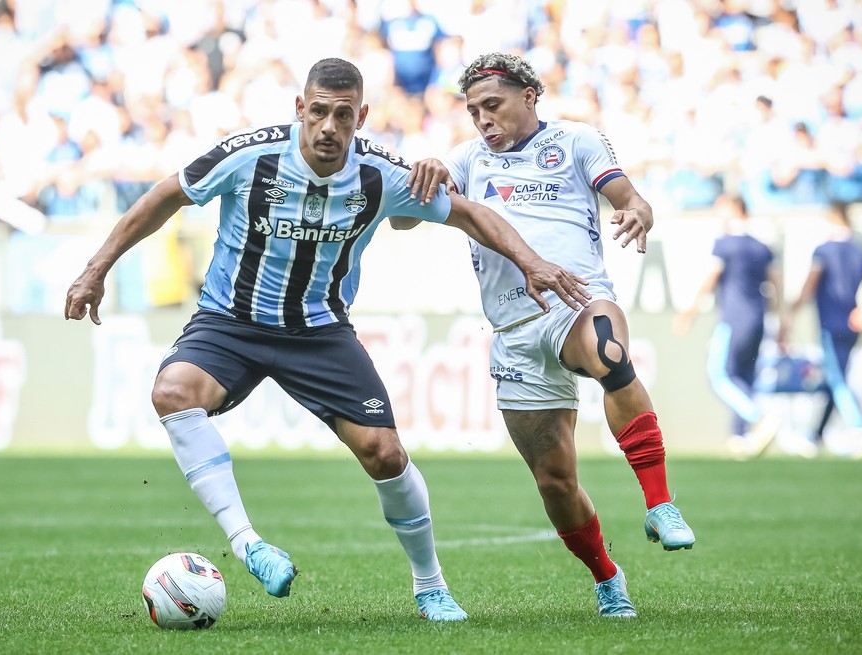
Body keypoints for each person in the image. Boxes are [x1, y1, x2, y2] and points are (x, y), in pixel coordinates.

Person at [65, 57, 590, 622]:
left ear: (360, 117)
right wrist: (95, 269)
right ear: (300, 109)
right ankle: (249, 545)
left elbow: (470, 215)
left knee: (384, 453)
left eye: (343, 116)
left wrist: (531, 262)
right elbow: (165, 196)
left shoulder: (379, 173)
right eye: (318, 112)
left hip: (319, 332)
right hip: (231, 322)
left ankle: (430, 585)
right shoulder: (251, 155)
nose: (328, 128)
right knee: (172, 392)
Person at [396, 52, 695, 618]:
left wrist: (639, 211)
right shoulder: (465, 160)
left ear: (529, 96)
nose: (483, 120)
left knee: (610, 350)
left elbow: (628, 196)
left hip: (576, 301)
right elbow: (403, 220)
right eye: (474, 111)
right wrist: (422, 180)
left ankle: (660, 504)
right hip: (512, 332)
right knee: (556, 481)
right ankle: (607, 577)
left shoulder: (577, 142)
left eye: (494, 105)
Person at [673, 193, 782, 458]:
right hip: (758, 318)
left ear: (735, 209)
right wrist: (782, 318)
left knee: (719, 375)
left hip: (733, 318)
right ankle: (739, 438)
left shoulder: (725, 244)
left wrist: (690, 313)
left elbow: (711, 279)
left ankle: (758, 417)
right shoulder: (761, 246)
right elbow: (775, 284)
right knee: (743, 376)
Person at [781, 201, 862, 455]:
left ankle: (859, 429)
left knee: (837, 378)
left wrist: (790, 312)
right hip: (854, 324)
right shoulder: (861, 248)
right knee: (836, 378)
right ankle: (816, 435)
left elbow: (810, 282)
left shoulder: (824, 250)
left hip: (830, 324)